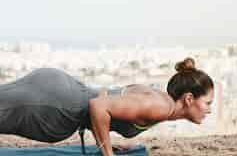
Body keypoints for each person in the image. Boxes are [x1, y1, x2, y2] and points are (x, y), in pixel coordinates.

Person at [0, 57, 214, 156]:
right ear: (188, 98)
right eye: (207, 103)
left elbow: (105, 97)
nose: (209, 109)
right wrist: (107, 154)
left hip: (59, 92)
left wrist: (107, 143)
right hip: (58, 107)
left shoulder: (158, 100)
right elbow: (99, 105)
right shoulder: (159, 107)